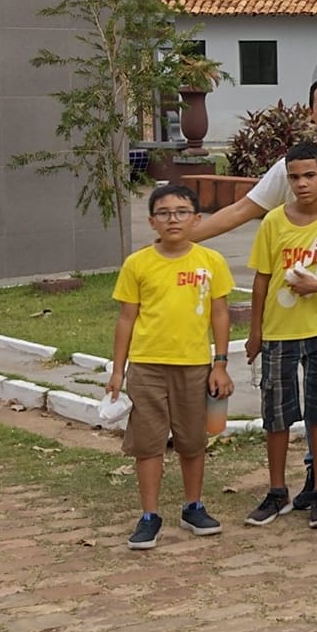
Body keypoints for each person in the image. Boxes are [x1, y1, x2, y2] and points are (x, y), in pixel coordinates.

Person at [195, 76, 317, 509]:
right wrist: (188, 236)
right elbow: (245, 208)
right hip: (310, 303)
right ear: (312, 112)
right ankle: (316, 478)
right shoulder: (295, 165)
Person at [105, 183, 236, 550]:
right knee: (148, 443)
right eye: (164, 213)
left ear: (196, 218)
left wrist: (220, 363)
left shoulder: (211, 262)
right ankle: (149, 515)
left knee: (192, 440)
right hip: (147, 367)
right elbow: (126, 319)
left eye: (181, 212)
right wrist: (119, 370)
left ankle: (193, 506)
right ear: (151, 221)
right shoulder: (138, 264)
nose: (172, 219)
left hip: (194, 366)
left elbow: (220, 313)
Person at [243, 141, 317, 530]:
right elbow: (261, 279)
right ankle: (277, 491)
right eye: (294, 177)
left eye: (310, 175)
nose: (302, 183)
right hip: (278, 332)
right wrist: (255, 332)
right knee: (276, 414)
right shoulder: (274, 221)